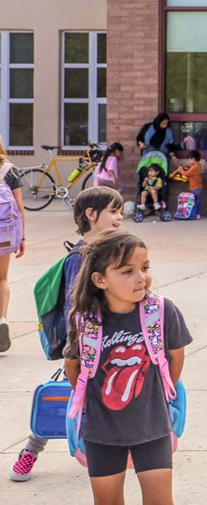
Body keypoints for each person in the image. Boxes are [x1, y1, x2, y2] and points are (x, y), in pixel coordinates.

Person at [63, 230, 192, 504]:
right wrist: (91, 402)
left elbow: (175, 357)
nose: (141, 277)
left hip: (153, 427)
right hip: (102, 432)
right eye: (126, 271)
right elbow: (73, 367)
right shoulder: (85, 321)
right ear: (100, 279)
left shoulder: (161, 311)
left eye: (144, 268)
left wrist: (158, 392)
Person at [9, 186, 124, 481]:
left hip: (113, 343)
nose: (120, 218)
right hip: (84, 348)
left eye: (120, 212)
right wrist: (78, 352)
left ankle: (120, 450)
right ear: (91, 214)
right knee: (62, 400)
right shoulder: (81, 258)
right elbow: (75, 308)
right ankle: (31, 450)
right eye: (114, 211)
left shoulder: (112, 251)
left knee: (116, 398)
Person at [0, 141, 25, 354]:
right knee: (2, 278)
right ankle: (2, 319)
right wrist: (22, 238)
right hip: (4, 235)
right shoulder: (10, 170)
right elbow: (19, 207)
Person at [175, 150, 204, 220]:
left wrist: (180, 169)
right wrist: (183, 166)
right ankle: (196, 214)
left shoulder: (195, 167)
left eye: (189, 159)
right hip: (196, 187)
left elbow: (186, 174)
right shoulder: (197, 165)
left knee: (192, 202)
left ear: (193, 159)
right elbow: (190, 166)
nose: (188, 161)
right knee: (196, 201)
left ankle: (193, 214)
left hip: (195, 188)